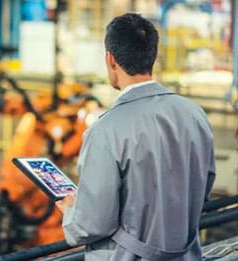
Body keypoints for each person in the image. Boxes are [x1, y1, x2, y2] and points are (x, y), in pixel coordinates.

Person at [55, 13, 216, 261]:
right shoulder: (194, 114)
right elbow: (203, 186)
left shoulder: (106, 130)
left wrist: (71, 212)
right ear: (153, 56)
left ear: (110, 59)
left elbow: (93, 223)